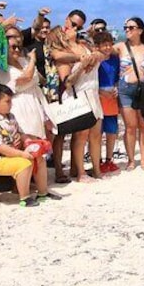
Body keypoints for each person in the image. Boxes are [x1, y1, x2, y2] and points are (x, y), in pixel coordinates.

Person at [0, 85, 59, 207]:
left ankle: (43, 193)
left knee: (39, 158)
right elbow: (1, 148)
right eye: (8, 101)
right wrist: (22, 153)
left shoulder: (10, 116)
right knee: (25, 163)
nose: (11, 104)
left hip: (12, 153)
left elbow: (20, 133)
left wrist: (29, 142)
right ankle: (24, 197)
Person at [47, 25, 102, 181]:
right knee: (81, 135)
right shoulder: (65, 56)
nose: (71, 28)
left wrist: (96, 55)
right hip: (79, 94)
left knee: (96, 134)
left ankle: (97, 170)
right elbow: (67, 82)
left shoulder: (84, 45)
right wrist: (82, 66)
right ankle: (81, 173)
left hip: (93, 91)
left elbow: (102, 55)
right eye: (66, 28)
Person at [0, 28, 48, 141]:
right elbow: (26, 78)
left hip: (34, 103)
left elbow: (37, 77)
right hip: (19, 108)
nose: (17, 50)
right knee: (29, 142)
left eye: (19, 47)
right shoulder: (2, 70)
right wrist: (33, 60)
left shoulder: (23, 61)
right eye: (13, 47)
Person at [113, 17, 144, 170]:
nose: (127, 30)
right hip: (126, 90)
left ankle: (143, 159)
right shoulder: (120, 46)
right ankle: (131, 160)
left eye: (131, 27)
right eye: (126, 27)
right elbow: (102, 51)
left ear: (140, 30)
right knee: (130, 126)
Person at [93, 30, 121, 174]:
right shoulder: (95, 60)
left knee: (111, 130)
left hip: (111, 96)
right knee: (97, 132)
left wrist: (117, 88)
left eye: (109, 44)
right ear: (97, 46)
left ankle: (109, 159)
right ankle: (96, 160)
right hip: (97, 96)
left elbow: (117, 77)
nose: (107, 48)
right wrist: (99, 91)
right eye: (104, 45)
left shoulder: (115, 59)